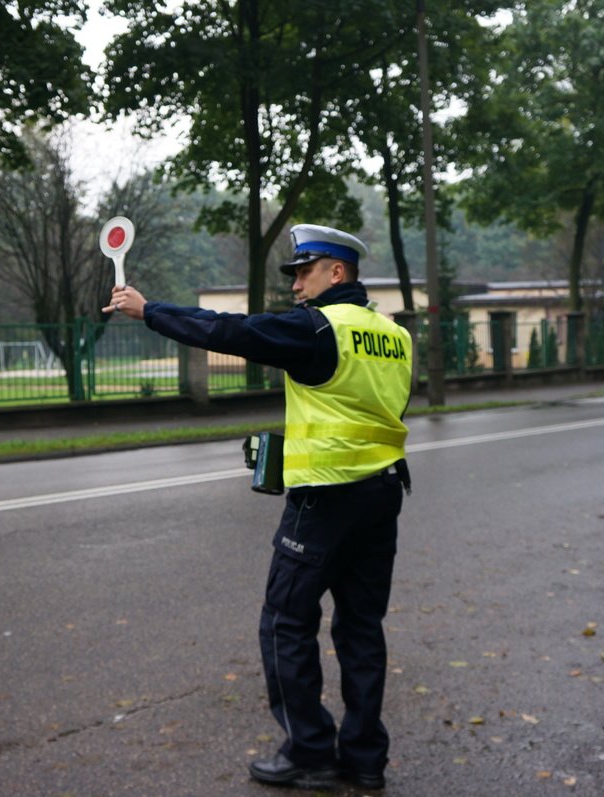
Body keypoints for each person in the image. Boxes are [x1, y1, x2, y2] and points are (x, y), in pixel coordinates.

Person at [104, 224, 412, 791]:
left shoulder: (319, 328)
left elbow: (229, 330)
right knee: (362, 627)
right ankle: (366, 759)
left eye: (303, 272)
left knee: (286, 622)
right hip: (382, 493)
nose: (296, 286)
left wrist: (150, 311)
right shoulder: (392, 334)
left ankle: (310, 753)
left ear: (336, 273)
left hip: (324, 497)